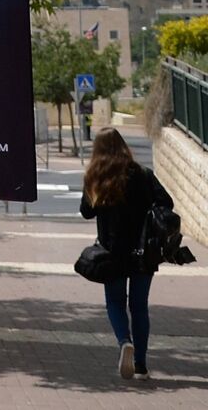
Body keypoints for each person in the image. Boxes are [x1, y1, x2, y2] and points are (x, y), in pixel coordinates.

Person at [79, 125, 174, 379]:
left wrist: (92, 186)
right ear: (123, 146)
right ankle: (141, 364)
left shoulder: (96, 177)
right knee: (139, 307)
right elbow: (167, 202)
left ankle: (124, 342)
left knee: (115, 303)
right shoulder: (143, 174)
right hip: (144, 252)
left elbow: (86, 212)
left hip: (112, 253)